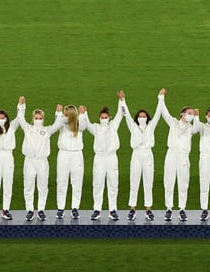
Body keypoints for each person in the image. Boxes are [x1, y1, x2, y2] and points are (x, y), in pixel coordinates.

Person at [80, 92, 124, 220]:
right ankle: (97, 210)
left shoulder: (113, 125)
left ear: (109, 117)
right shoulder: (96, 128)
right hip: (99, 158)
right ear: (99, 117)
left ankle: (112, 210)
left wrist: (121, 100)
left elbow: (120, 114)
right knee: (98, 184)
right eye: (102, 117)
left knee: (113, 183)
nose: (104, 118)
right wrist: (84, 113)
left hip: (111, 158)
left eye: (106, 117)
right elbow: (87, 124)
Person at [18, 99, 64, 221]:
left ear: (43, 119)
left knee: (42, 186)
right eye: (36, 118)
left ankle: (41, 210)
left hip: (42, 162)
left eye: (40, 118)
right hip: (29, 161)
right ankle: (30, 210)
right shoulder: (27, 128)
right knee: (28, 186)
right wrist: (21, 105)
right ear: (33, 119)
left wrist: (59, 113)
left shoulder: (47, 130)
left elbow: (57, 125)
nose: (38, 120)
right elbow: (20, 118)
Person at [122, 89, 164, 220]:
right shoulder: (133, 126)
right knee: (134, 181)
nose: (142, 118)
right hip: (136, 154)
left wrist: (161, 98)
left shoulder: (151, 125)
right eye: (140, 116)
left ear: (147, 118)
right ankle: (132, 209)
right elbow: (127, 115)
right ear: (137, 118)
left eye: (144, 116)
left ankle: (148, 209)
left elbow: (158, 113)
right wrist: (122, 100)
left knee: (148, 181)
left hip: (147, 155)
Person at [160, 92, 201, 221]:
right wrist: (161, 97)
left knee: (183, 183)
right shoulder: (173, 122)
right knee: (169, 181)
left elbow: (198, 128)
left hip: (183, 157)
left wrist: (197, 117)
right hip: (171, 155)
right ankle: (169, 209)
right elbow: (164, 112)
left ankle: (182, 209)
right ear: (182, 114)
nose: (190, 115)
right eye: (189, 113)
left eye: (191, 113)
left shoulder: (191, 128)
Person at [0, 104, 23, 220]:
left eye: (3, 118)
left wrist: (21, 105)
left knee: (8, 183)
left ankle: (5, 210)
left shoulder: (12, 127)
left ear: (7, 118)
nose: (1, 120)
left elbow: (20, 117)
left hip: (8, 156)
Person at [55, 105, 86, 219]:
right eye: (64, 114)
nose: (65, 116)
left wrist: (83, 114)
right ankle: (61, 208)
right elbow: (56, 125)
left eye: (67, 114)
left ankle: (75, 208)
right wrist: (58, 113)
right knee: (61, 181)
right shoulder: (62, 122)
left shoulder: (79, 124)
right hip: (63, 154)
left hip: (77, 154)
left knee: (77, 182)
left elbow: (84, 126)